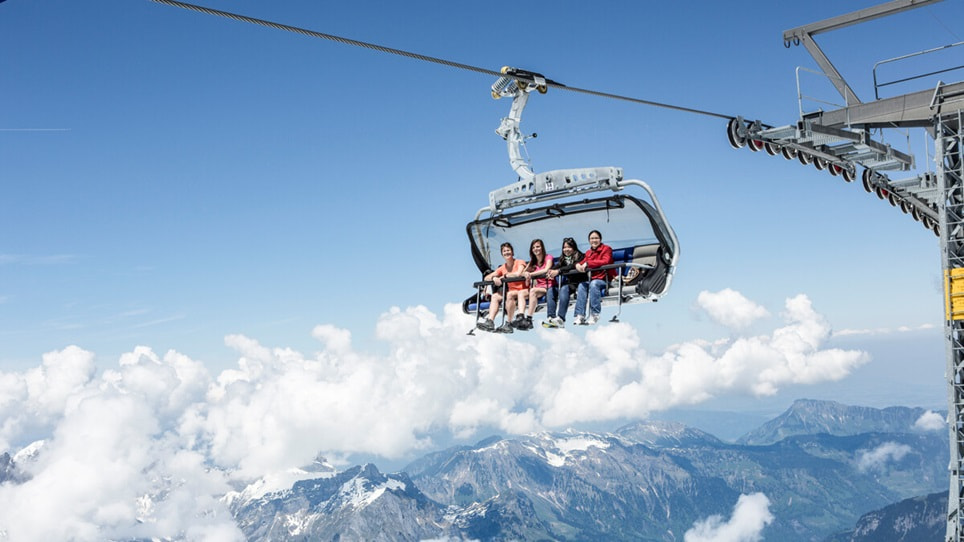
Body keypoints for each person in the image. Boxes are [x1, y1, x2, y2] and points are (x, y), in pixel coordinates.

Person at [476, 242, 528, 333]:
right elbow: (487, 277)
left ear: (512, 252)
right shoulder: (503, 267)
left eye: (508, 250)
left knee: (510, 295)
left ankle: (508, 323)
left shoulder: (520, 262)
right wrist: (494, 277)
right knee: (495, 296)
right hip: (511, 291)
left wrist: (504, 276)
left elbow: (518, 274)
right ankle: (490, 321)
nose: (506, 252)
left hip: (522, 290)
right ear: (502, 254)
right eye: (504, 251)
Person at [542, 237, 585, 328]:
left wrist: (558, 271)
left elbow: (572, 266)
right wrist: (550, 272)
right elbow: (557, 266)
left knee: (564, 289)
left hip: (578, 283)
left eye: (569, 247)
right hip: (569, 283)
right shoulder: (564, 258)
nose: (566, 250)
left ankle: (561, 318)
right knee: (551, 290)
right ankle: (551, 316)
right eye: (564, 248)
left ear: (574, 248)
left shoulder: (580, 256)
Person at [573, 230, 614, 325]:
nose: (594, 240)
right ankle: (580, 315)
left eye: (596, 238)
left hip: (605, 280)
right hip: (592, 279)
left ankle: (595, 313)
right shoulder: (588, 252)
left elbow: (606, 261)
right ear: (589, 240)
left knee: (594, 284)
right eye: (592, 238)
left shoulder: (607, 249)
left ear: (600, 239)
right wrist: (578, 265)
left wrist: (588, 263)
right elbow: (583, 261)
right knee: (582, 285)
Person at [517, 239, 553, 330]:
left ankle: (529, 319)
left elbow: (546, 270)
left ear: (542, 248)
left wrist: (531, 274)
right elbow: (522, 273)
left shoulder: (548, 257)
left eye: (537, 246)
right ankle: (521, 316)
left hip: (547, 286)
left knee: (533, 291)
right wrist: (525, 273)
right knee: (521, 293)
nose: (535, 249)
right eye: (533, 247)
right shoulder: (532, 261)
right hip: (538, 287)